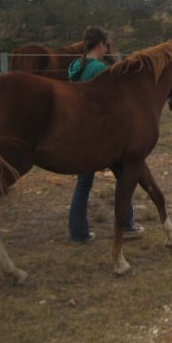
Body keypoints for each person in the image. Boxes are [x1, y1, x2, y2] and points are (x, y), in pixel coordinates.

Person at [68, 26, 144, 244]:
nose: (107, 49)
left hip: (80, 130)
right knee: (124, 177)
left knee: (83, 184)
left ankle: (78, 232)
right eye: (106, 45)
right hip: (101, 135)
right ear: (101, 44)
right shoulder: (99, 69)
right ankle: (127, 224)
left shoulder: (75, 66)